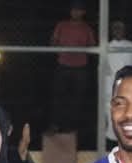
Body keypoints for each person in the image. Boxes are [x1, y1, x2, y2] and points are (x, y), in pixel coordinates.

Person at [49, 0, 96, 136]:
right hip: (63, 65)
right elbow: (53, 42)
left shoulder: (86, 28)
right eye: (74, 10)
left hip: (80, 67)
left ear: (83, 12)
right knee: (59, 97)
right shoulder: (62, 25)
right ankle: (56, 125)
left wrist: (81, 48)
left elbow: (92, 45)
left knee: (77, 99)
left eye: (79, 10)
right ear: (70, 11)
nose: (76, 13)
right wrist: (61, 48)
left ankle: (72, 128)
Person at [102, 21, 132, 142]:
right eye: (115, 28)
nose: (118, 31)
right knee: (111, 111)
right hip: (111, 85)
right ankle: (111, 139)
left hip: (128, 85)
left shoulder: (130, 45)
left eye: (120, 28)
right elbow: (104, 68)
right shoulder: (106, 46)